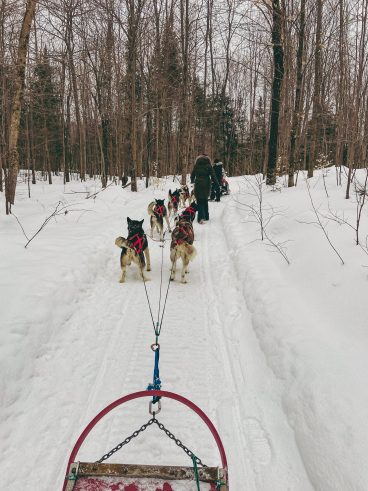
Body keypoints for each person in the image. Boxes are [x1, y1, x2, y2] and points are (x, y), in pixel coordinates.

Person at [190, 154, 219, 224]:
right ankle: (206, 216)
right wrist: (217, 184)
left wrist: (192, 181)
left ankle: (200, 217)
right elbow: (213, 175)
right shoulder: (209, 166)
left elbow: (192, 175)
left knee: (199, 200)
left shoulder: (196, 165)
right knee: (205, 199)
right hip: (207, 184)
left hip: (198, 184)